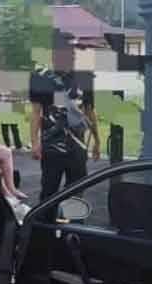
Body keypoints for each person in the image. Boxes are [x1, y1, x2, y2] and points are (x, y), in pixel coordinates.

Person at [29, 33, 101, 200]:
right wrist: (35, 142)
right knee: (49, 192)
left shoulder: (84, 77)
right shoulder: (40, 77)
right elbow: (35, 112)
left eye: (74, 50)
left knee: (76, 193)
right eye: (68, 50)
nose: (74, 54)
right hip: (51, 147)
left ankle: (74, 225)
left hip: (77, 147)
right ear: (55, 54)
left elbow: (90, 110)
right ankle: (46, 225)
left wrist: (97, 140)